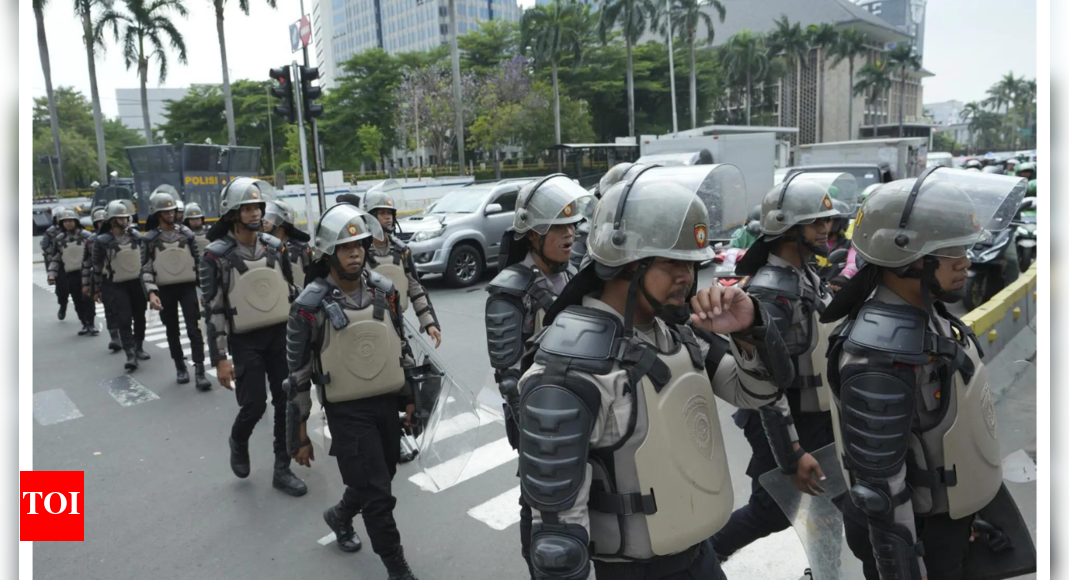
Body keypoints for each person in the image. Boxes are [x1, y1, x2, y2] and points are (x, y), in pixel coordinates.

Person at [515, 164, 799, 580]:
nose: (688, 278)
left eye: (691, 264)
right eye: (673, 264)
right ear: (628, 263)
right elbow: (556, 538)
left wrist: (751, 328)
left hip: (700, 557)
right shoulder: (570, 368)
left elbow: (757, 394)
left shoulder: (678, 333)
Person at [821, 168, 1029, 580]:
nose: (965, 260)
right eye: (949, 249)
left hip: (941, 523)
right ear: (903, 254)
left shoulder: (926, 314)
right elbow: (879, 489)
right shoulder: (880, 350)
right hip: (913, 537)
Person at [710, 172, 856, 564]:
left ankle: (825, 570)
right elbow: (767, 384)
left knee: (835, 509)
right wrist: (790, 453)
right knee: (769, 512)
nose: (827, 228)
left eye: (828, 220)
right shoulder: (772, 292)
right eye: (816, 222)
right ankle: (702, 562)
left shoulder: (806, 276)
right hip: (786, 421)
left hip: (818, 420)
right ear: (788, 229)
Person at [284, 203, 421, 580]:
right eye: (346, 247)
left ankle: (340, 514)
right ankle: (398, 568)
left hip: (384, 401)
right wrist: (297, 436)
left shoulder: (385, 291)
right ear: (329, 253)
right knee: (378, 494)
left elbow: (400, 348)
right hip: (347, 412)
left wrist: (411, 398)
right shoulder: (308, 307)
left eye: (360, 244)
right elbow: (296, 375)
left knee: (381, 474)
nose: (356, 252)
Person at [484, 174, 592, 578]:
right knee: (545, 515)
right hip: (542, 423)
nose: (570, 234)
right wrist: (537, 433)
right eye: (559, 227)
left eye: (572, 225)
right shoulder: (510, 291)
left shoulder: (574, 272)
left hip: (588, 411)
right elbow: (508, 376)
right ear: (532, 235)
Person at [199, 177, 306, 496]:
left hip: (280, 334)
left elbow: (290, 291)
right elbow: (214, 310)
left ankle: (281, 468)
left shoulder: (275, 247)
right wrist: (219, 358)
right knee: (254, 405)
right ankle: (239, 439)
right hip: (244, 340)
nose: (254, 213)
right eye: (246, 208)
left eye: (257, 206)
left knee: (286, 400)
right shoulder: (215, 256)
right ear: (232, 213)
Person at [141, 188, 211, 391]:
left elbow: (198, 264)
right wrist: (152, 292)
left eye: (172, 210)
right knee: (172, 331)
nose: (171, 214)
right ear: (157, 213)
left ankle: (200, 370)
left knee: (195, 330)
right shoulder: (150, 239)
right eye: (166, 211)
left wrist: (205, 290)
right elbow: (146, 268)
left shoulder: (187, 234)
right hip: (165, 290)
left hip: (188, 287)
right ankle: (180, 366)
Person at [362, 185, 442, 344]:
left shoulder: (401, 250)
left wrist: (429, 322)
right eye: (382, 213)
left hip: (396, 322)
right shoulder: (359, 250)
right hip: (366, 325)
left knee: (406, 362)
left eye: (390, 213)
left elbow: (414, 287)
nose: (388, 217)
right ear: (370, 216)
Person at [91, 201, 150, 371]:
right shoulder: (102, 241)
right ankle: (130, 353)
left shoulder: (137, 237)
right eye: (120, 218)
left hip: (137, 283)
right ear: (112, 220)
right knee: (124, 319)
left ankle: (139, 346)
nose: (124, 221)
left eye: (126, 217)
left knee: (140, 316)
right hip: (116, 285)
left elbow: (147, 259)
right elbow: (96, 266)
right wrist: (96, 289)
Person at [47, 208, 96, 336]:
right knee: (77, 300)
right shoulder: (59, 239)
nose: (68, 223)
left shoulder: (86, 236)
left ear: (76, 221)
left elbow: (95, 254)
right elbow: (56, 258)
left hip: (86, 273)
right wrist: (52, 273)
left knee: (88, 300)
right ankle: (84, 324)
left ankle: (91, 324)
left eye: (70, 220)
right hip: (71, 274)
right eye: (65, 221)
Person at [263, 198, 314, 290]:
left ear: (282, 222)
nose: (265, 221)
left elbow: (312, 278)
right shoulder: (262, 246)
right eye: (265, 217)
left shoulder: (300, 247)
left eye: (270, 218)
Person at [83, 207, 115, 348]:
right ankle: (115, 337)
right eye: (99, 222)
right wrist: (88, 285)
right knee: (109, 308)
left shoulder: (120, 237)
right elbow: (87, 263)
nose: (102, 224)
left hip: (120, 277)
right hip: (101, 278)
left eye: (104, 221)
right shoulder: (91, 240)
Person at [41, 206, 69, 320]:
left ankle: (87, 320)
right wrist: (55, 253)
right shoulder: (50, 231)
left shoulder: (73, 230)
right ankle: (63, 305)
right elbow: (45, 246)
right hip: (58, 263)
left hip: (74, 263)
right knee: (61, 291)